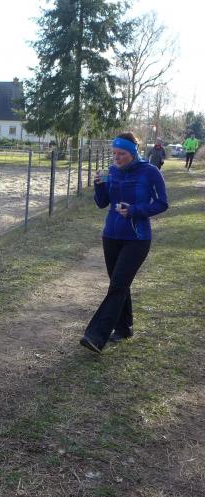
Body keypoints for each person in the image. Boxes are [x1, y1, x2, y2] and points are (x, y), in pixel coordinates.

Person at [79, 132, 168, 354]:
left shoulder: (150, 172)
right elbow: (102, 203)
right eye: (114, 153)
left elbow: (162, 203)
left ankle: (96, 335)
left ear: (133, 153)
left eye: (122, 154)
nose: (117, 158)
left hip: (137, 238)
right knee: (120, 283)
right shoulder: (111, 171)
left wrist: (135, 210)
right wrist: (99, 186)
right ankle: (125, 328)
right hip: (111, 235)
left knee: (117, 285)